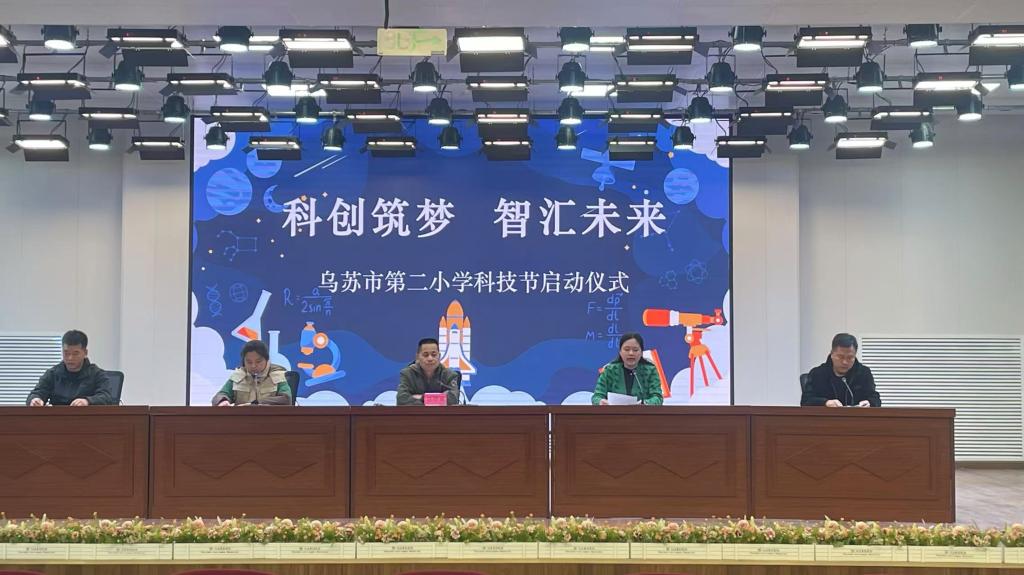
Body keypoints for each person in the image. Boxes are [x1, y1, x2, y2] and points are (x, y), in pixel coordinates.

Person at [27, 330, 114, 406]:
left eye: (75, 353)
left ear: (85, 353)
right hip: (58, 417)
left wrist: (87, 401)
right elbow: (36, 393)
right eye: (66, 353)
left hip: (87, 417)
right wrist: (35, 399)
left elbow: (106, 397)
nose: (70, 358)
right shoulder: (53, 374)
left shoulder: (97, 374)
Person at [801, 332, 881, 407]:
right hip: (826, 417)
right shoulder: (818, 373)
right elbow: (806, 401)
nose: (845, 362)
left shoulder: (863, 373)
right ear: (832, 354)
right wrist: (826, 402)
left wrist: (869, 402)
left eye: (850, 357)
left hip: (856, 417)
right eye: (840, 357)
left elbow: (875, 399)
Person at [212, 340, 292, 406]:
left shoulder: (277, 375)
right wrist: (223, 401)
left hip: (271, 418)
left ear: (267, 360)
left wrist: (256, 403)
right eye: (249, 362)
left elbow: (286, 399)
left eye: (258, 361)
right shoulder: (239, 376)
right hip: (242, 418)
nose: (253, 366)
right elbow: (219, 396)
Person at [592, 332, 664, 405]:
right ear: (620, 352)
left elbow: (657, 398)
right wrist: (601, 402)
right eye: (626, 349)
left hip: (641, 412)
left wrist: (644, 404)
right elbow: (597, 397)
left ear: (641, 352)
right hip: (614, 412)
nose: (631, 353)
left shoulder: (650, 371)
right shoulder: (609, 370)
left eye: (635, 350)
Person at [396, 337, 461, 406]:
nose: (430, 358)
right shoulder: (407, 374)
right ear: (417, 357)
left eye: (434, 355)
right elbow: (401, 399)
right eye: (425, 355)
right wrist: (435, 399)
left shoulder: (449, 375)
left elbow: (453, 399)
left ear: (439, 356)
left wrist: (421, 398)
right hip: (415, 413)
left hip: (441, 413)